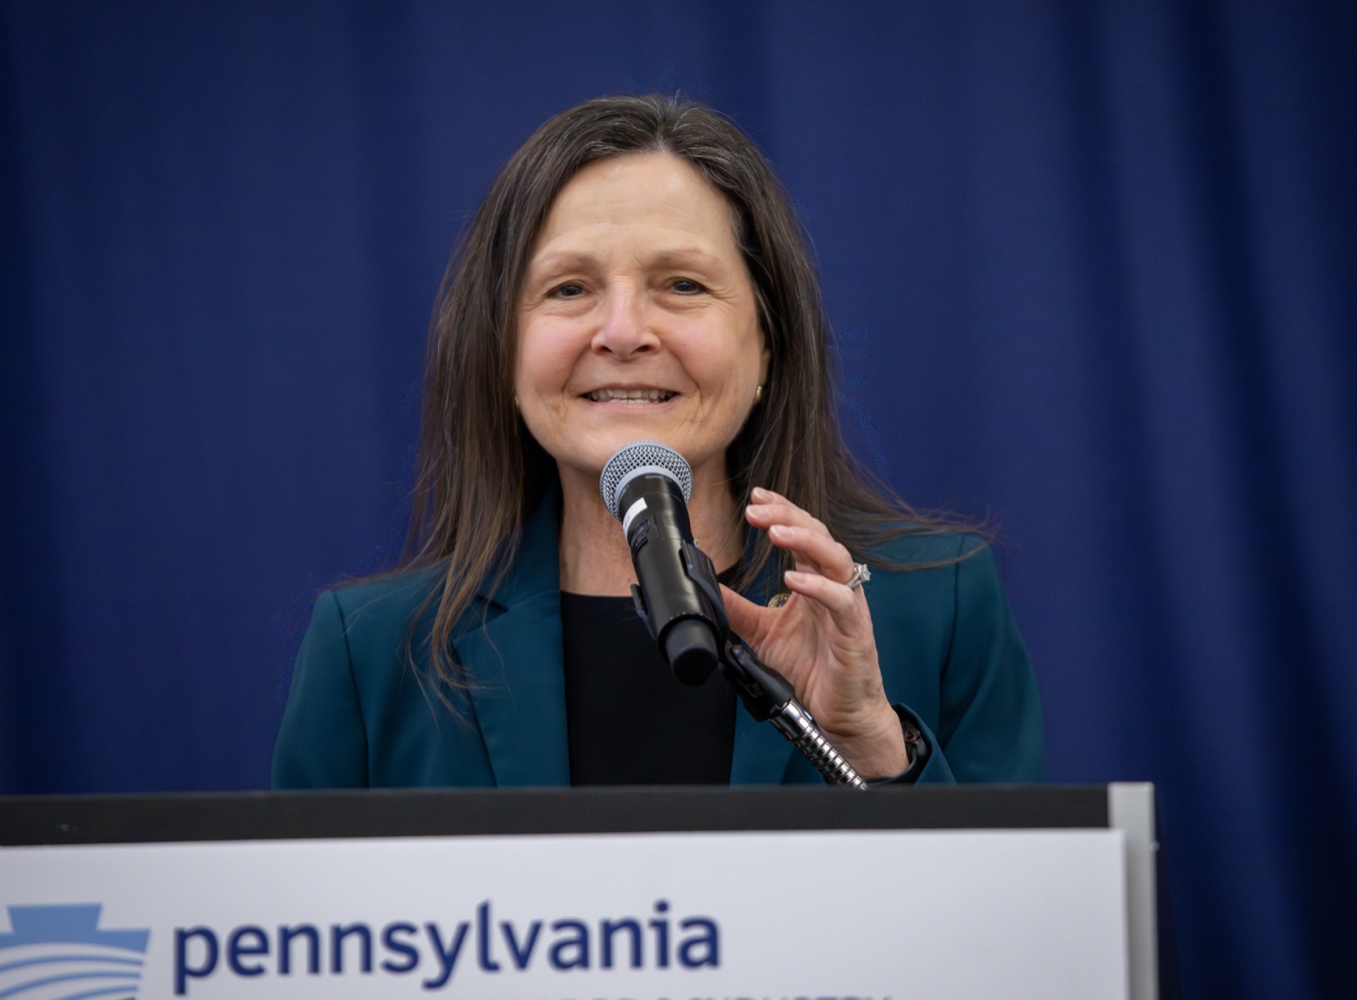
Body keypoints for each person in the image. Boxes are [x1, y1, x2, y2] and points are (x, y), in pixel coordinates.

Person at [272, 94, 1043, 789]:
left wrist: (870, 747)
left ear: (768, 346)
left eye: (682, 285)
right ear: (503, 354)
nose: (622, 332)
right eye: (569, 288)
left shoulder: (939, 607)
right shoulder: (369, 653)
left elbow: (1007, 901)